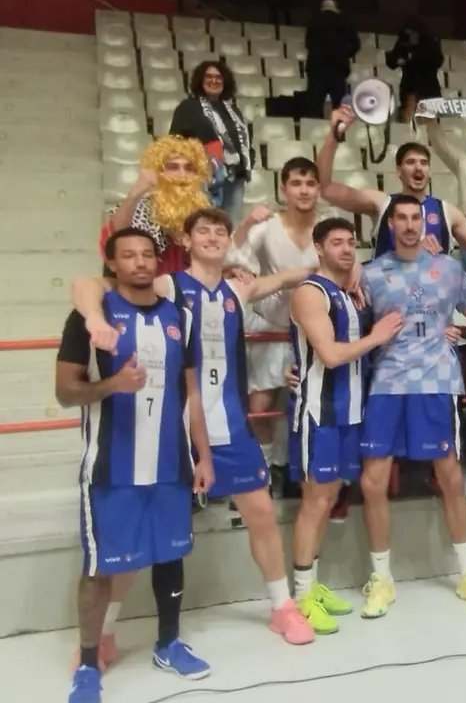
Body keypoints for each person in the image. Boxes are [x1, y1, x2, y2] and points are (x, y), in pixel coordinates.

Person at [69, 208, 320, 654]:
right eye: (202, 230)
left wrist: (347, 265)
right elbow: (88, 284)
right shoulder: (166, 285)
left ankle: (282, 607)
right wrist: (93, 317)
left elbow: (289, 277)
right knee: (140, 532)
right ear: (186, 241)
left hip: (229, 425)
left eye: (220, 231)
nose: (212, 237)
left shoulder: (238, 289)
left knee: (261, 513)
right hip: (172, 428)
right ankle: (105, 632)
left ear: (229, 242)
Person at [59, 228, 216, 703]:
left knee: (171, 554)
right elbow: (66, 392)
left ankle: (168, 643)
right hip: (111, 469)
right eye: (129, 255)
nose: (141, 262)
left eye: (148, 254)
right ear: (113, 263)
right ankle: (88, 663)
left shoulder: (180, 317)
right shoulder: (89, 317)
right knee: (99, 568)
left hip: (170, 464)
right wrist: (112, 386)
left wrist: (203, 455)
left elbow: (192, 393)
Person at [357, 194, 466, 616]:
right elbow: (349, 326)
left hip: (435, 382)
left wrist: (455, 326)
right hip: (387, 383)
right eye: (402, 217)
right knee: (373, 482)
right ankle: (382, 579)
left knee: (451, 477)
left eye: (417, 217)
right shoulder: (369, 274)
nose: (411, 224)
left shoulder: (449, 270)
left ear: (427, 224)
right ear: (391, 225)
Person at [288, 218, 403, 633]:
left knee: (330, 496)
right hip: (321, 411)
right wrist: (377, 336)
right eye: (336, 242)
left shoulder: (345, 294)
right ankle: (301, 595)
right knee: (315, 501)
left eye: (351, 242)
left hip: (351, 410)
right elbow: (332, 355)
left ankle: (311, 586)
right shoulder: (309, 292)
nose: (346, 249)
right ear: (318, 248)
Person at [230, 158, 330, 489]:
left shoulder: (329, 227)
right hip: (269, 324)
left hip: (312, 329)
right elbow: (232, 264)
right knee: (260, 405)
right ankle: (265, 471)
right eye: (296, 183)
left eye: (310, 183)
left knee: (306, 406)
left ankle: (298, 471)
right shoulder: (265, 226)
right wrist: (244, 224)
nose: (304, 190)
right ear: (283, 189)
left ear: (318, 188)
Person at [319, 106, 466, 259]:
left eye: (423, 163)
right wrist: (334, 135)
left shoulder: (447, 211)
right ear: (398, 170)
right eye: (410, 162)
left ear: (429, 172)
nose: (418, 168)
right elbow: (326, 189)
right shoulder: (381, 203)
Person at [104, 136, 212, 277]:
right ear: (158, 172)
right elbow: (120, 234)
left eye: (189, 168)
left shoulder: (207, 211)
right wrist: (137, 190)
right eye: (173, 167)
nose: (182, 175)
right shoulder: (142, 206)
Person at [169, 60, 253, 223]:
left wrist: (248, 160)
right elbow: (175, 142)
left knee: (231, 226)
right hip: (204, 176)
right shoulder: (188, 107)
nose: (213, 81)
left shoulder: (234, 111)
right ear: (200, 80)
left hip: (235, 178)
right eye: (208, 77)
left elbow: (245, 141)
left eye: (218, 77)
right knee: (203, 223)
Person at [303, 0, 359, 118]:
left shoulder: (314, 20)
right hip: (337, 68)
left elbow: (308, 43)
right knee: (339, 105)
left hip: (317, 68)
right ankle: (340, 133)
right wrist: (345, 54)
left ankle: (313, 130)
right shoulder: (344, 21)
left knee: (315, 104)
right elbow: (356, 44)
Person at [384, 16, 443, 122]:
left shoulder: (430, 43)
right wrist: (400, 59)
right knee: (408, 120)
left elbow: (438, 61)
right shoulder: (403, 42)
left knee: (427, 122)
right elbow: (391, 62)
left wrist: (413, 56)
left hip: (428, 89)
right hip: (409, 88)